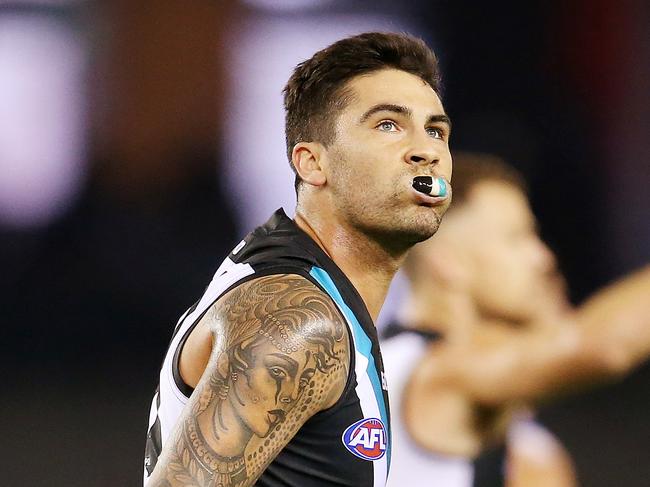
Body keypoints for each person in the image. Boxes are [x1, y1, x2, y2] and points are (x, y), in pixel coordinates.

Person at [143, 32, 453, 487]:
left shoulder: (319, 298)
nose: (426, 151)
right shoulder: (297, 320)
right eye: (387, 124)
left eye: (436, 130)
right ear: (311, 164)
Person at [382, 152, 650, 486]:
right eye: (517, 237)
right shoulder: (439, 369)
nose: (543, 257)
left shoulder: (523, 441)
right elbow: (601, 346)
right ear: (449, 263)